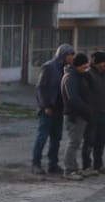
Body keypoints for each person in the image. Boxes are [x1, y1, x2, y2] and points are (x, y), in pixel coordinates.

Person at [31, 43, 74, 176]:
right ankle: (36, 164)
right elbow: (40, 88)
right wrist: (45, 106)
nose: (72, 57)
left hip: (59, 108)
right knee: (42, 137)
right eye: (70, 55)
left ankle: (53, 164)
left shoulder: (66, 69)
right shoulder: (49, 67)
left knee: (56, 138)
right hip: (48, 109)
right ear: (63, 55)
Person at [61, 52, 96, 179]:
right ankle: (69, 170)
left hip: (81, 114)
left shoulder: (79, 76)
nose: (85, 69)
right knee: (73, 142)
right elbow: (74, 98)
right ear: (77, 65)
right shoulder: (70, 77)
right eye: (83, 67)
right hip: (75, 115)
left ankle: (74, 168)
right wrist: (86, 109)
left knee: (76, 143)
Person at [85, 51, 105, 175]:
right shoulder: (88, 75)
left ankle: (98, 164)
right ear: (96, 63)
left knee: (101, 140)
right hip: (92, 112)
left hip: (103, 111)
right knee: (89, 140)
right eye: (102, 62)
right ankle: (87, 166)